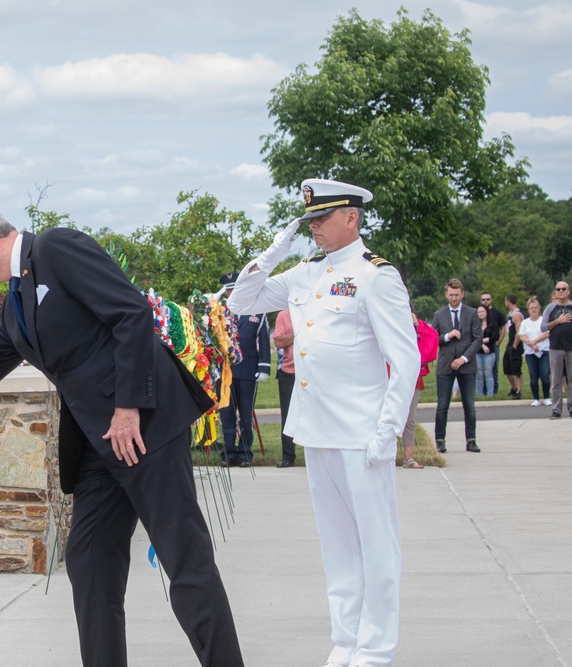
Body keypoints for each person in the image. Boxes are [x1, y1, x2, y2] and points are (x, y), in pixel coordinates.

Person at [0, 200, 243, 667]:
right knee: (89, 562)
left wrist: (128, 407)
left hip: (144, 429)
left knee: (186, 563)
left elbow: (131, 315)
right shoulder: (13, 309)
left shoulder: (58, 248)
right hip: (99, 449)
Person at [228, 179, 419, 667]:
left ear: (351, 217)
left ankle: (375, 650)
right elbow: (241, 301)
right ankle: (346, 641)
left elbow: (407, 360)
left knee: (376, 547)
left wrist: (387, 432)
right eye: (309, 218)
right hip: (318, 431)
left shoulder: (377, 276)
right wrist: (275, 249)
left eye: (322, 217)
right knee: (337, 548)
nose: (312, 225)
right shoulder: (305, 272)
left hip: (362, 434)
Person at [217, 272, 271, 467]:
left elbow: (263, 340)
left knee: (246, 413)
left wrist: (264, 366)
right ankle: (229, 452)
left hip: (248, 370)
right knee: (227, 414)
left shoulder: (256, 311)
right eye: (229, 290)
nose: (232, 293)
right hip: (225, 373)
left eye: (235, 289)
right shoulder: (219, 313)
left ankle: (245, 453)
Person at [431, 278, 482, 453]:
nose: (454, 298)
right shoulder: (439, 314)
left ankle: (471, 440)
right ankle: (440, 440)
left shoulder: (472, 313)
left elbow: (477, 339)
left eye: (457, 295)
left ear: (462, 294)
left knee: (469, 404)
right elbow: (433, 339)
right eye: (451, 295)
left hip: (466, 364)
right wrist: (448, 336)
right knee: (443, 404)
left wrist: (464, 358)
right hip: (445, 363)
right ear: (446, 294)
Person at [401, 311, 439, 469]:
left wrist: (417, 324)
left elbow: (432, 339)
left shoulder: (416, 327)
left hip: (411, 377)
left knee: (409, 418)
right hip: (385, 375)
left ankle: (408, 458)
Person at [542, 281, 572, 419]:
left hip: (570, 347)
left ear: (568, 291)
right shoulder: (550, 308)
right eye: (558, 289)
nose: (560, 291)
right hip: (556, 347)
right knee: (556, 379)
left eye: (563, 289)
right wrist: (558, 321)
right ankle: (556, 409)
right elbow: (543, 327)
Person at [272, 309, 297, 467]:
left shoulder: (314, 310)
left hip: (312, 370)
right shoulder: (284, 315)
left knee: (316, 414)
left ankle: (317, 456)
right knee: (288, 415)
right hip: (288, 371)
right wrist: (300, 333)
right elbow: (279, 341)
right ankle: (288, 456)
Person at [480, 293, 506, 395]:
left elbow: (503, 327)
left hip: (493, 345)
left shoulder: (497, 313)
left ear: (491, 300)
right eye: (483, 300)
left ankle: (494, 390)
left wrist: (499, 341)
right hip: (480, 346)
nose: (485, 301)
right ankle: (483, 390)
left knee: (493, 368)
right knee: (481, 370)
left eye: (487, 299)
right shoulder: (478, 313)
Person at [503, 294, 524, 399]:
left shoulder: (516, 315)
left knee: (516, 368)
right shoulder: (510, 314)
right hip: (509, 344)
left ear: (508, 301)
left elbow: (518, 331)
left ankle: (519, 390)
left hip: (515, 344)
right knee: (507, 367)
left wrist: (515, 345)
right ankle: (514, 388)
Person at [475, 305, 499, 397]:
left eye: (482, 311)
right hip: (478, 352)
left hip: (490, 352)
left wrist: (483, 341)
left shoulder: (492, 324)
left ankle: (490, 394)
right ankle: (480, 394)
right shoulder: (475, 325)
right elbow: (474, 337)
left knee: (488, 373)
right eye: (479, 312)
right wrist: (482, 344)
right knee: (479, 373)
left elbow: (495, 336)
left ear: (487, 312)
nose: (481, 313)